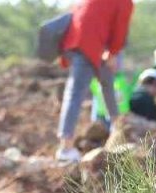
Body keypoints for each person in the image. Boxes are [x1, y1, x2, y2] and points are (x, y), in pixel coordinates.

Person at [56, 0, 134, 162]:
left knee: (107, 83)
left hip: (77, 42)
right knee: (75, 93)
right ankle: (65, 148)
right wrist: (112, 53)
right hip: (88, 45)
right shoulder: (125, 2)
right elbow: (120, 29)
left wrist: (109, 53)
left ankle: (116, 131)